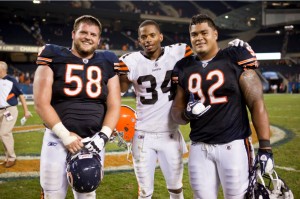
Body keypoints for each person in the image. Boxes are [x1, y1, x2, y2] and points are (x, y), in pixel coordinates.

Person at [171, 14, 274, 199]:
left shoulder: (235, 56)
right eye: (194, 34)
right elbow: (176, 112)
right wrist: (187, 114)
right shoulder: (183, 66)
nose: (199, 38)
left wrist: (265, 147)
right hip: (199, 147)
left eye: (204, 33)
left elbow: (256, 102)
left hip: (233, 145)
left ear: (215, 34)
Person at [33, 15, 121, 199]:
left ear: (98, 39)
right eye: (83, 32)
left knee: (87, 193)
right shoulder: (53, 54)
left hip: (94, 141)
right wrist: (65, 135)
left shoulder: (108, 60)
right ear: (73, 34)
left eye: (93, 34)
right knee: (52, 194)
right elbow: (41, 102)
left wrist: (103, 136)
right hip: (57, 140)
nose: (88, 37)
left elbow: (114, 105)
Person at [115, 20, 191, 199]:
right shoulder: (130, 61)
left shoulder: (179, 52)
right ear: (139, 40)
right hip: (143, 135)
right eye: (143, 36)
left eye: (152, 35)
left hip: (170, 133)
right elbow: (119, 90)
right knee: (145, 192)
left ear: (160, 37)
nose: (148, 39)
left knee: (176, 188)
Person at [0, 61, 31, 168]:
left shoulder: (11, 80)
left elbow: (21, 96)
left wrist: (26, 111)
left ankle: (12, 157)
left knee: (4, 133)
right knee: (3, 134)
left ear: (2, 69)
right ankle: (7, 157)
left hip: (9, 110)